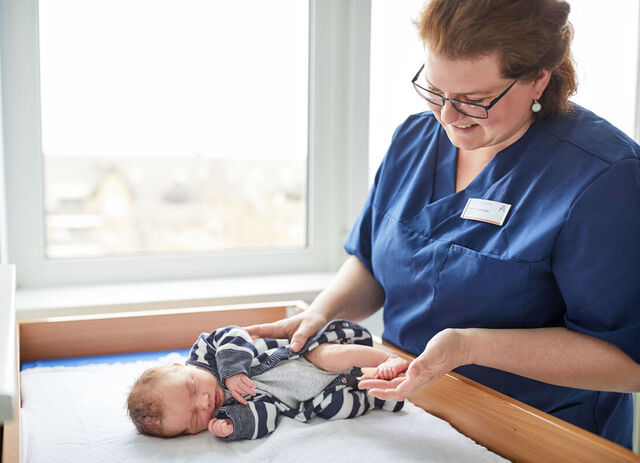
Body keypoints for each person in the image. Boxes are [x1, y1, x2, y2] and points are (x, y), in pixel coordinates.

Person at [247, 0, 640, 449]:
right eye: (435, 90)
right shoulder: (414, 139)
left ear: (538, 78)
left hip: (536, 435)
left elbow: (629, 361)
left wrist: (470, 347)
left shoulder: (604, 176)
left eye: (474, 101)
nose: (448, 117)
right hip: (408, 418)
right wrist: (322, 312)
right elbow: (374, 262)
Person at [127, 319, 407, 439]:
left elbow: (232, 333)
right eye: (193, 417)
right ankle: (381, 394)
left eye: (192, 387)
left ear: (180, 366)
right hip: (314, 399)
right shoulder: (229, 412)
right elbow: (267, 416)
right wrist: (235, 426)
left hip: (302, 357)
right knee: (344, 408)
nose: (203, 401)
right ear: (189, 433)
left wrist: (233, 368)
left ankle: (385, 360)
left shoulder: (206, 354)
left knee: (334, 355)